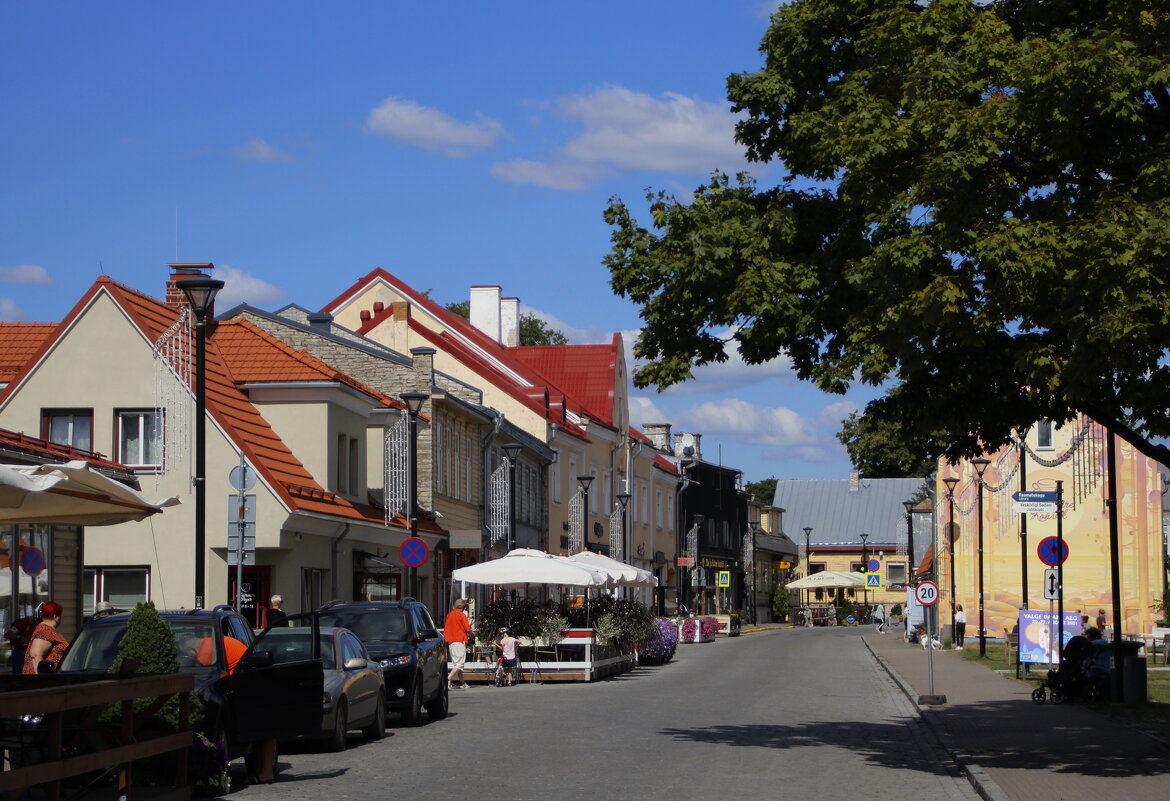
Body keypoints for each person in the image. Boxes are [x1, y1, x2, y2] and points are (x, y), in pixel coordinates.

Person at [24, 601, 68, 674]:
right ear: (55, 617)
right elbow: (35, 656)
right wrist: (42, 679)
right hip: (42, 682)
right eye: (60, 615)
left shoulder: (48, 630)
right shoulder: (45, 631)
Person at [443, 598, 471, 690]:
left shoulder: (449, 615)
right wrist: (472, 634)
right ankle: (448, 679)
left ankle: (462, 682)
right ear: (463, 607)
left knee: (457, 664)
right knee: (460, 664)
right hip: (459, 640)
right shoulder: (461, 615)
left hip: (451, 641)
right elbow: (468, 628)